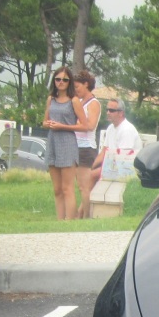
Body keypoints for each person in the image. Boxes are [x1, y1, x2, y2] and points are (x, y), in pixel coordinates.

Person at [42, 67, 80, 220]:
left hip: (67, 142)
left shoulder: (74, 101)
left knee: (67, 188)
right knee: (57, 189)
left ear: (69, 81)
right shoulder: (51, 99)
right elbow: (44, 121)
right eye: (58, 79)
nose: (61, 82)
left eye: (65, 80)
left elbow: (85, 125)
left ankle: (70, 223)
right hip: (52, 141)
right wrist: (49, 124)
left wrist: (62, 126)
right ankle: (59, 222)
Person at [90, 98, 143, 188]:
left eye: (111, 110)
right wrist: (91, 167)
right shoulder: (111, 128)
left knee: (90, 177)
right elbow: (104, 152)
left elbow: (122, 159)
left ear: (121, 113)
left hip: (128, 169)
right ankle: (88, 200)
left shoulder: (126, 130)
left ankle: (87, 201)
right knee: (88, 175)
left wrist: (96, 171)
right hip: (115, 166)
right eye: (107, 110)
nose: (108, 113)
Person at [70, 70, 102, 219]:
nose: (75, 90)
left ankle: (87, 217)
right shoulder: (80, 102)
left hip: (86, 147)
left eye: (77, 87)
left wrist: (74, 124)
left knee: (84, 186)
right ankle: (80, 215)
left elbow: (90, 125)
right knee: (80, 186)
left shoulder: (93, 103)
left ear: (86, 84)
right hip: (76, 145)